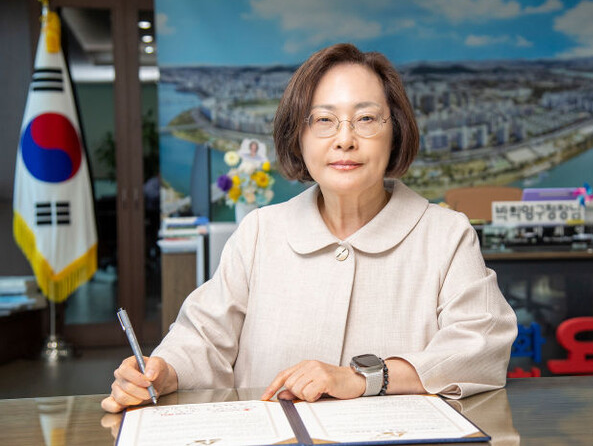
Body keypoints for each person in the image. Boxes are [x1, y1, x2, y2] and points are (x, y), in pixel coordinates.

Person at [101, 43, 517, 413]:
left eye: (366, 118)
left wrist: (363, 378)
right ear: (298, 136)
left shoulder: (445, 235)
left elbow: (480, 346)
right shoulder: (260, 231)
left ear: (396, 132)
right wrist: (163, 372)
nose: (345, 139)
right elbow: (204, 339)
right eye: (323, 120)